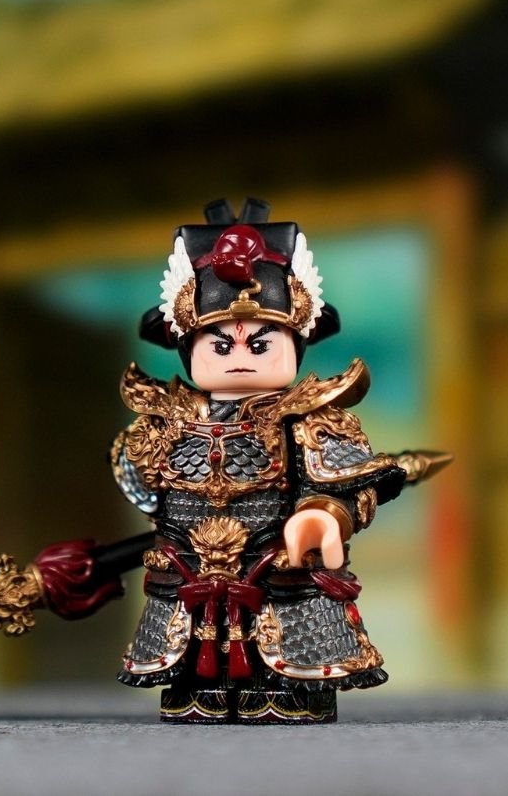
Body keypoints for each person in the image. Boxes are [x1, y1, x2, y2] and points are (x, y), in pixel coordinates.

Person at [110, 199, 408, 724]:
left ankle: (286, 698)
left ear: (295, 344)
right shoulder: (165, 421)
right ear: (189, 349)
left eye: (262, 343)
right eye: (221, 346)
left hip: (279, 577)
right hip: (187, 583)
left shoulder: (308, 421)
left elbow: (346, 486)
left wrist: (323, 516)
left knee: (286, 681)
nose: (241, 357)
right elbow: (146, 492)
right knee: (193, 687)